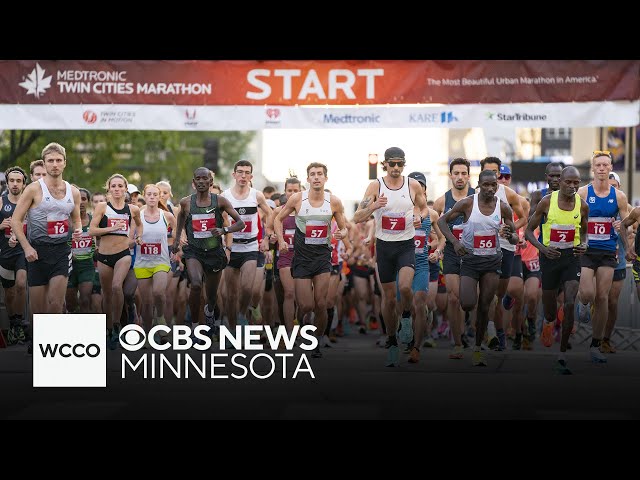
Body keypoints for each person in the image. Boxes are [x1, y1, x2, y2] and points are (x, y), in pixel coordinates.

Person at [353, 147, 427, 367]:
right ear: (384, 164)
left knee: (405, 288)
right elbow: (357, 216)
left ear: (404, 164)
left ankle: (406, 318)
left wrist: (417, 216)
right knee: (388, 298)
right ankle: (392, 341)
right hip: (384, 247)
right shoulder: (375, 186)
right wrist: (374, 205)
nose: (396, 168)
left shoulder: (412, 185)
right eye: (392, 164)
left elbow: (423, 209)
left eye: (400, 164)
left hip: (405, 245)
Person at [438, 169, 518, 366]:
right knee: (466, 303)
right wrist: (455, 243)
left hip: (492, 262)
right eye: (486, 185)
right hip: (471, 262)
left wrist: (510, 234)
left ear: (497, 187)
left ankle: (477, 348)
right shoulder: (467, 203)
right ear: (479, 185)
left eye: (493, 186)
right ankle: (470, 330)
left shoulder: (504, 207)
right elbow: (441, 221)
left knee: (484, 306)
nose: (490, 189)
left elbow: (515, 237)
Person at [11, 143, 83, 354]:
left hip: (61, 251)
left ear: (64, 163)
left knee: (55, 303)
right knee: (39, 309)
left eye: (58, 160)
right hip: (36, 252)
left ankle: (52, 346)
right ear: (45, 163)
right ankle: (38, 339)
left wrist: (77, 230)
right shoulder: (34, 189)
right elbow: (16, 221)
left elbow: (76, 220)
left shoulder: (73, 191)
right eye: (50, 161)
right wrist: (26, 248)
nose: (54, 165)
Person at [275, 162, 352, 358]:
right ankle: (300, 326)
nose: (316, 177)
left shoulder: (333, 201)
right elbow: (278, 219)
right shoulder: (297, 199)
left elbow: (343, 227)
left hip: (322, 258)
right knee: (306, 306)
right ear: (307, 179)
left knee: (320, 303)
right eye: (313, 174)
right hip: (301, 259)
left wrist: (341, 233)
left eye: (320, 174)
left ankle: (316, 340)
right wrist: (282, 240)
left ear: (326, 178)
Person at [525, 166, 589, 374]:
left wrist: (584, 244)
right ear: (560, 182)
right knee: (551, 309)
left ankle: (561, 356)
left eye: (576, 183)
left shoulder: (582, 205)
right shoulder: (546, 202)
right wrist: (543, 248)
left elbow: (585, 232)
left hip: (571, 258)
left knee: (570, 303)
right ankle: (548, 320)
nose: (572, 186)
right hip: (549, 258)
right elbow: (528, 231)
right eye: (568, 182)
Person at [173, 167, 246, 335]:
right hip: (194, 251)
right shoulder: (186, 203)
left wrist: (224, 231)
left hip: (214, 253)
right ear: (193, 183)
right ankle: (194, 326)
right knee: (196, 285)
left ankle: (210, 312)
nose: (200, 181)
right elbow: (181, 219)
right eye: (197, 179)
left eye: (204, 179)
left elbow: (240, 223)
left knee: (211, 296)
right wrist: (177, 241)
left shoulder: (220, 201)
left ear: (210, 182)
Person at [576, 150, 631, 363]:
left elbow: (627, 225)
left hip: (608, 250)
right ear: (593, 168)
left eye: (605, 165)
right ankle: (582, 303)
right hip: (587, 250)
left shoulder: (618, 196)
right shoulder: (582, 192)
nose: (601, 169)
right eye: (598, 165)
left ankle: (596, 344)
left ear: (610, 169)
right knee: (588, 293)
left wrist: (622, 228)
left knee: (602, 297)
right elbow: (573, 217)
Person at [89, 173, 143, 350]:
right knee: (107, 294)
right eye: (114, 186)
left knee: (116, 287)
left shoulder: (132, 209)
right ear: (109, 188)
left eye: (121, 186)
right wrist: (112, 228)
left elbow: (139, 224)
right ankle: (109, 328)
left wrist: (137, 236)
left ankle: (118, 324)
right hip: (104, 255)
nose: (117, 189)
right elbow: (92, 231)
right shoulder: (102, 207)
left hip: (123, 254)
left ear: (126, 189)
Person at [221, 160, 273, 327]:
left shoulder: (256, 195)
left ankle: (242, 316)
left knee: (247, 289)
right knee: (231, 294)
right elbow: (217, 219)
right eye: (240, 172)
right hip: (231, 247)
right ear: (234, 174)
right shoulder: (225, 197)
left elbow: (271, 214)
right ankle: (232, 325)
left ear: (251, 176)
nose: (243, 176)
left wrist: (266, 237)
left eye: (247, 173)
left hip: (250, 247)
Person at [432, 158, 474, 359]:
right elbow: (436, 228)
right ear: (450, 176)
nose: (459, 177)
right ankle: (457, 343)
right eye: (456, 173)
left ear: (468, 175)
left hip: (474, 253)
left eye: (463, 173)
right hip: (450, 253)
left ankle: (471, 332)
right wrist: (438, 246)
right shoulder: (442, 201)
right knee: (454, 297)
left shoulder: (478, 197)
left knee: (471, 300)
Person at [404, 171, 444, 363]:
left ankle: (416, 346)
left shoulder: (432, 214)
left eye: (421, 185)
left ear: (425, 190)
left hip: (423, 263)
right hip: (403, 263)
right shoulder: (400, 210)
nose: (417, 188)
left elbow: (440, 238)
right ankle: (407, 334)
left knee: (421, 303)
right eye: (414, 185)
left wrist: (433, 249)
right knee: (407, 306)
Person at [0, 167, 28, 345]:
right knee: (9, 293)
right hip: (4, 252)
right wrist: (0, 225)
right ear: (7, 183)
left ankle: (18, 324)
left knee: (21, 284)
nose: (15, 184)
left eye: (19, 181)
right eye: (12, 181)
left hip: (22, 251)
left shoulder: (30, 202)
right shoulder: (1, 201)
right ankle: (13, 323)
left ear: (24, 184)